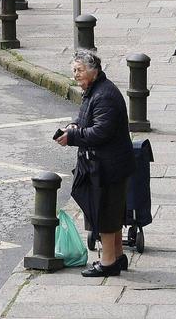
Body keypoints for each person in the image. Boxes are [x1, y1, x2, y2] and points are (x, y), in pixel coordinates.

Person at [55, 50, 134, 277]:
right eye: (74, 70)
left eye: (79, 70)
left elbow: (101, 131)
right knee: (112, 213)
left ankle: (108, 264)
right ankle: (117, 256)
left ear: (94, 71)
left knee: (106, 215)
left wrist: (73, 136)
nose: (76, 75)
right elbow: (88, 118)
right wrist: (74, 126)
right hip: (109, 164)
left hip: (109, 166)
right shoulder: (95, 90)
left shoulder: (104, 95)